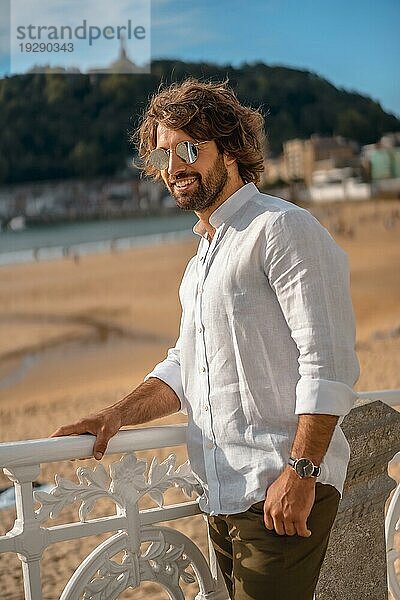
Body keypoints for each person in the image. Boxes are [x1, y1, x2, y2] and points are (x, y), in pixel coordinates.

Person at [52, 78, 360, 600]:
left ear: (231, 148)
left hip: (278, 493)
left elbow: (327, 362)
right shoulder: (199, 264)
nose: (175, 168)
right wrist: (116, 415)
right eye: (163, 156)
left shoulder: (282, 229)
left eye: (190, 149)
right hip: (222, 499)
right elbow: (185, 365)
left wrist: (302, 473)